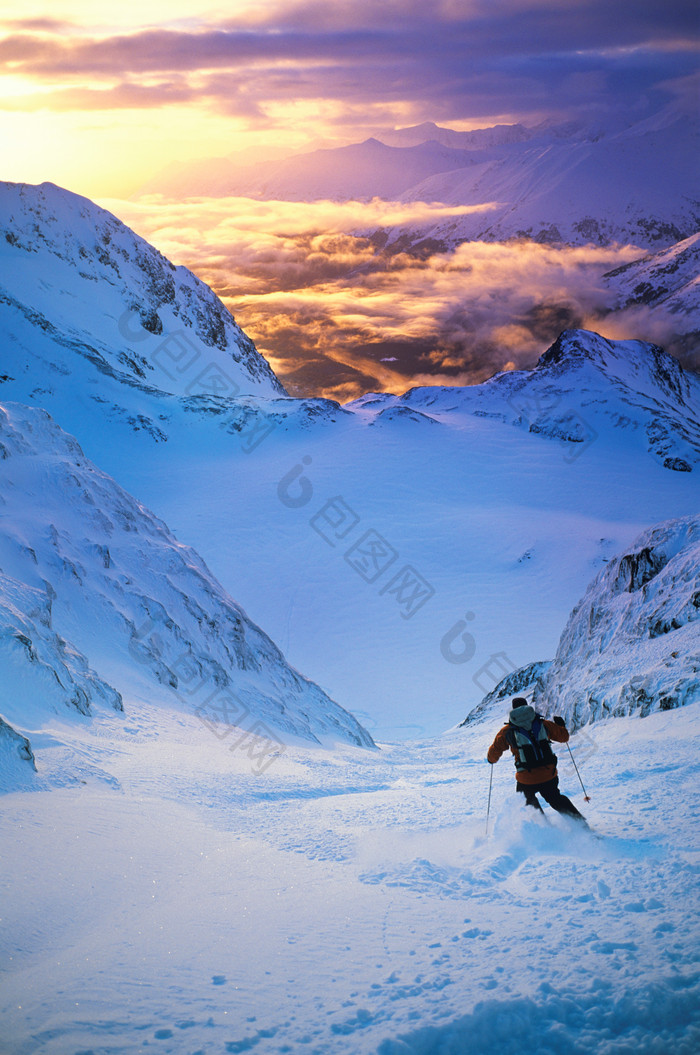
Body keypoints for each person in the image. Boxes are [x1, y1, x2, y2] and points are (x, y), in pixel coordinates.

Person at [487, 697, 587, 823]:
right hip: (548, 773)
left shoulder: (507, 731)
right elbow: (564, 737)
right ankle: (580, 824)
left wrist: (491, 760)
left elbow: (494, 751)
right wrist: (561, 726)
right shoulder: (542, 723)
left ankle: (542, 827)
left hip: (526, 778)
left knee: (525, 800)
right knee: (555, 798)